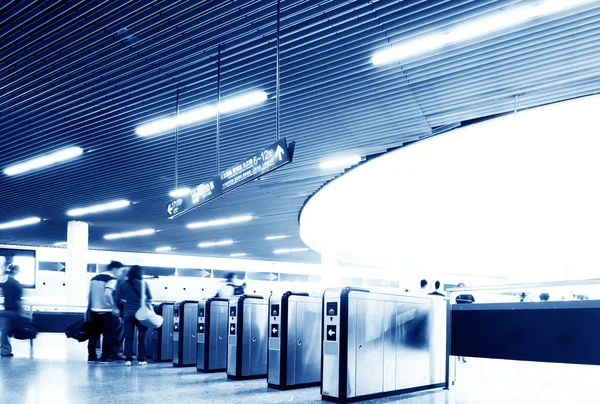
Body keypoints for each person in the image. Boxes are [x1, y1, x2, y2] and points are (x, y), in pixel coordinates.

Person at [87, 261, 125, 363]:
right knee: (108, 334)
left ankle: (91, 356)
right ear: (115, 268)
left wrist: (89, 309)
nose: (120, 273)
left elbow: (90, 295)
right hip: (106, 311)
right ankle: (105, 357)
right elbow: (108, 293)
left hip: (94, 310)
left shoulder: (94, 278)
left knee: (93, 335)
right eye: (120, 271)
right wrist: (114, 308)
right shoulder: (112, 279)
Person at [115, 265, 152, 366]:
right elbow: (150, 298)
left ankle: (128, 359)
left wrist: (124, 303)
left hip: (128, 314)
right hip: (142, 314)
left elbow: (116, 298)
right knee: (142, 337)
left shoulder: (123, 284)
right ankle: (141, 359)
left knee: (128, 337)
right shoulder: (144, 284)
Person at [0, 264, 23, 357]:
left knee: (4, 331)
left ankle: (5, 350)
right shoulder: (15, 283)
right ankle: (5, 350)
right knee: (12, 329)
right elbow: (17, 300)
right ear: (15, 271)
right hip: (14, 311)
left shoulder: (5, 283)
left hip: (6, 310)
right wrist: (22, 312)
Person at [455, 282, 475, 363]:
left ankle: (461, 356)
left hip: (463, 319)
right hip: (462, 319)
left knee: (462, 340)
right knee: (461, 339)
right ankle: (460, 356)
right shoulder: (459, 296)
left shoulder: (458, 296)